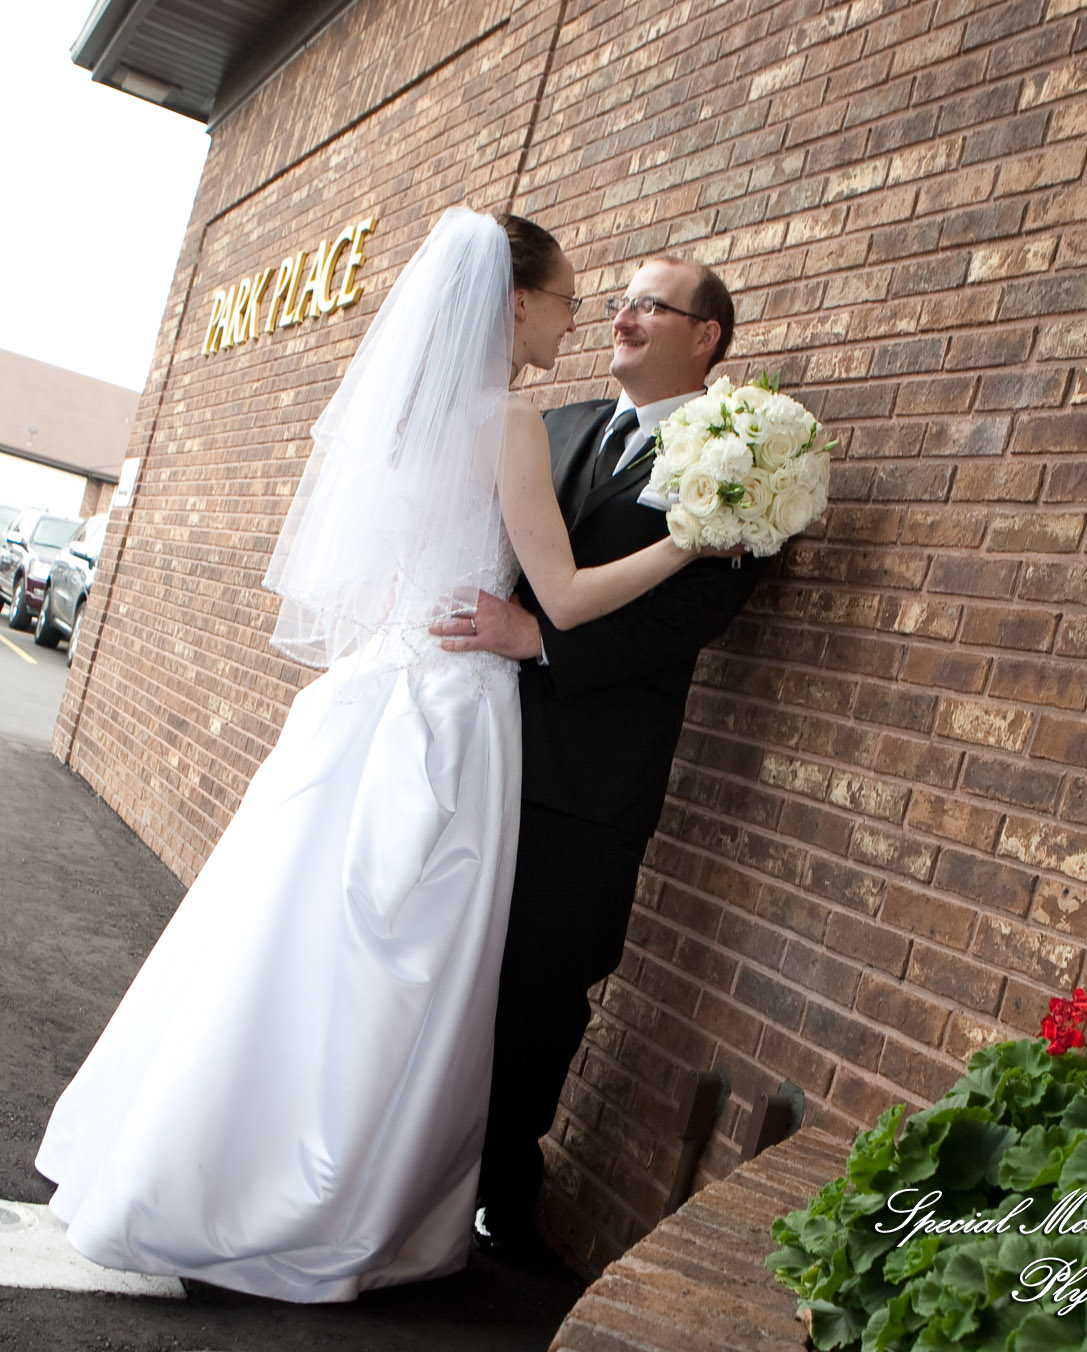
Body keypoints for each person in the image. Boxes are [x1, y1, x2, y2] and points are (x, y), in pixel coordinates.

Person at [34, 207, 721, 1303]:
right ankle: (330, 1197)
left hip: (365, 697)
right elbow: (568, 594)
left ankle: (189, 1160)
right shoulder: (510, 420)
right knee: (397, 970)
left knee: (292, 941)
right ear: (514, 302)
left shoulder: (406, 409)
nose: (578, 319)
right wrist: (696, 534)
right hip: (452, 713)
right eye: (569, 299)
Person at [430, 255, 762, 1257]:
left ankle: (500, 1189)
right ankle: (414, 1165)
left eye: (648, 305)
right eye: (615, 301)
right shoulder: (554, 424)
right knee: (442, 966)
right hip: (473, 743)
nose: (619, 316)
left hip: (591, 782)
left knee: (542, 983)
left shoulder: (745, 456)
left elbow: (699, 609)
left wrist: (535, 637)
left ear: (704, 336)